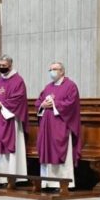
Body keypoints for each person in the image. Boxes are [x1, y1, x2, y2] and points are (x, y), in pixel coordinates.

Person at [36, 62, 82, 190]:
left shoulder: (70, 86)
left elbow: (71, 104)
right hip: (47, 126)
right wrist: (42, 105)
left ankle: (63, 182)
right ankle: (47, 182)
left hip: (61, 125)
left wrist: (55, 104)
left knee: (60, 151)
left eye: (54, 69)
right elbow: (39, 101)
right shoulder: (48, 87)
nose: (52, 71)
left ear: (62, 71)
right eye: (50, 69)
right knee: (47, 151)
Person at [0, 55, 29, 184]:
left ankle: (12, 177)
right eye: (0, 66)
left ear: (10, 65)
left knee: (10, 147)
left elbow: (18, 98)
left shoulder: (18, 81)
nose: (2, 68)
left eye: (4, 66)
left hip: (11, 119)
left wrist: (2, 104)